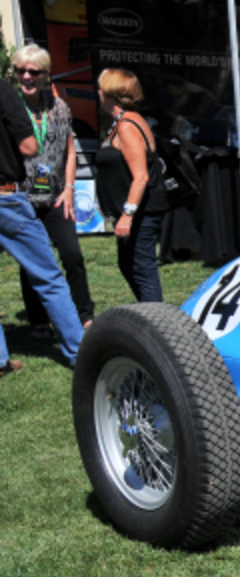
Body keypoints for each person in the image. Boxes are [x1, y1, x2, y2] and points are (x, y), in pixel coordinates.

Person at [0, 58, 83, 376]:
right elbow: (29, 146)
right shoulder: (4, 93)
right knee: (49, 278)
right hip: (6, 197)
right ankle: (79, 352)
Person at [12, 45, 93, 335]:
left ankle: (85, 315)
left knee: (72, 254)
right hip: (22, 196)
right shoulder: (10, 107)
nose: (26, 76)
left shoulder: (60, 108)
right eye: (20, 71)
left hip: (58, 194)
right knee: (31, 259)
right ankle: (38, 321)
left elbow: (70, 152)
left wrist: (70, 188)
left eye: (33, 71)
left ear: (46, 75)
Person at [95, 68, 167, 304]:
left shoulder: (127, 126)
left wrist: (128, 214)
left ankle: (158, 325)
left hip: (142, 212)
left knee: (142, 268)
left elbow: (141, 177)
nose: (97, 93)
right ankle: (150, 316)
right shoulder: (122, 122)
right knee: (129, 265)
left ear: (111, 93)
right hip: (133, 211)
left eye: (101, 88)